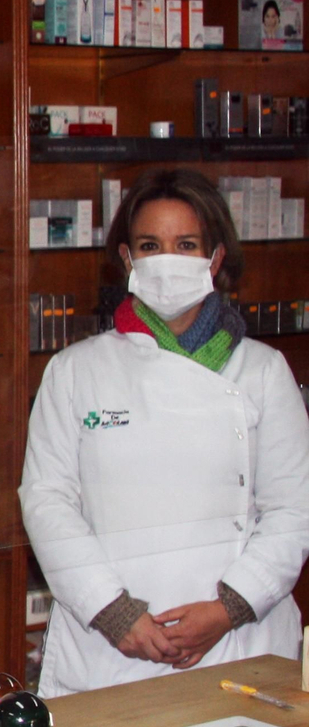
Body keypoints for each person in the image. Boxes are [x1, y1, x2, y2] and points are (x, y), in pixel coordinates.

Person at [21, 169, 309, 696]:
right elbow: (47, 502)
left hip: (239, 648)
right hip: (108, 655)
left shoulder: (264, 371)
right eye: (152, 245)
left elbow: (294, 510)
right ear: (128, 259)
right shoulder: (75, 370)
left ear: (215, 258)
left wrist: (230, 608)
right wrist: (114, 612)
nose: (168, 259)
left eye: (187, 244)